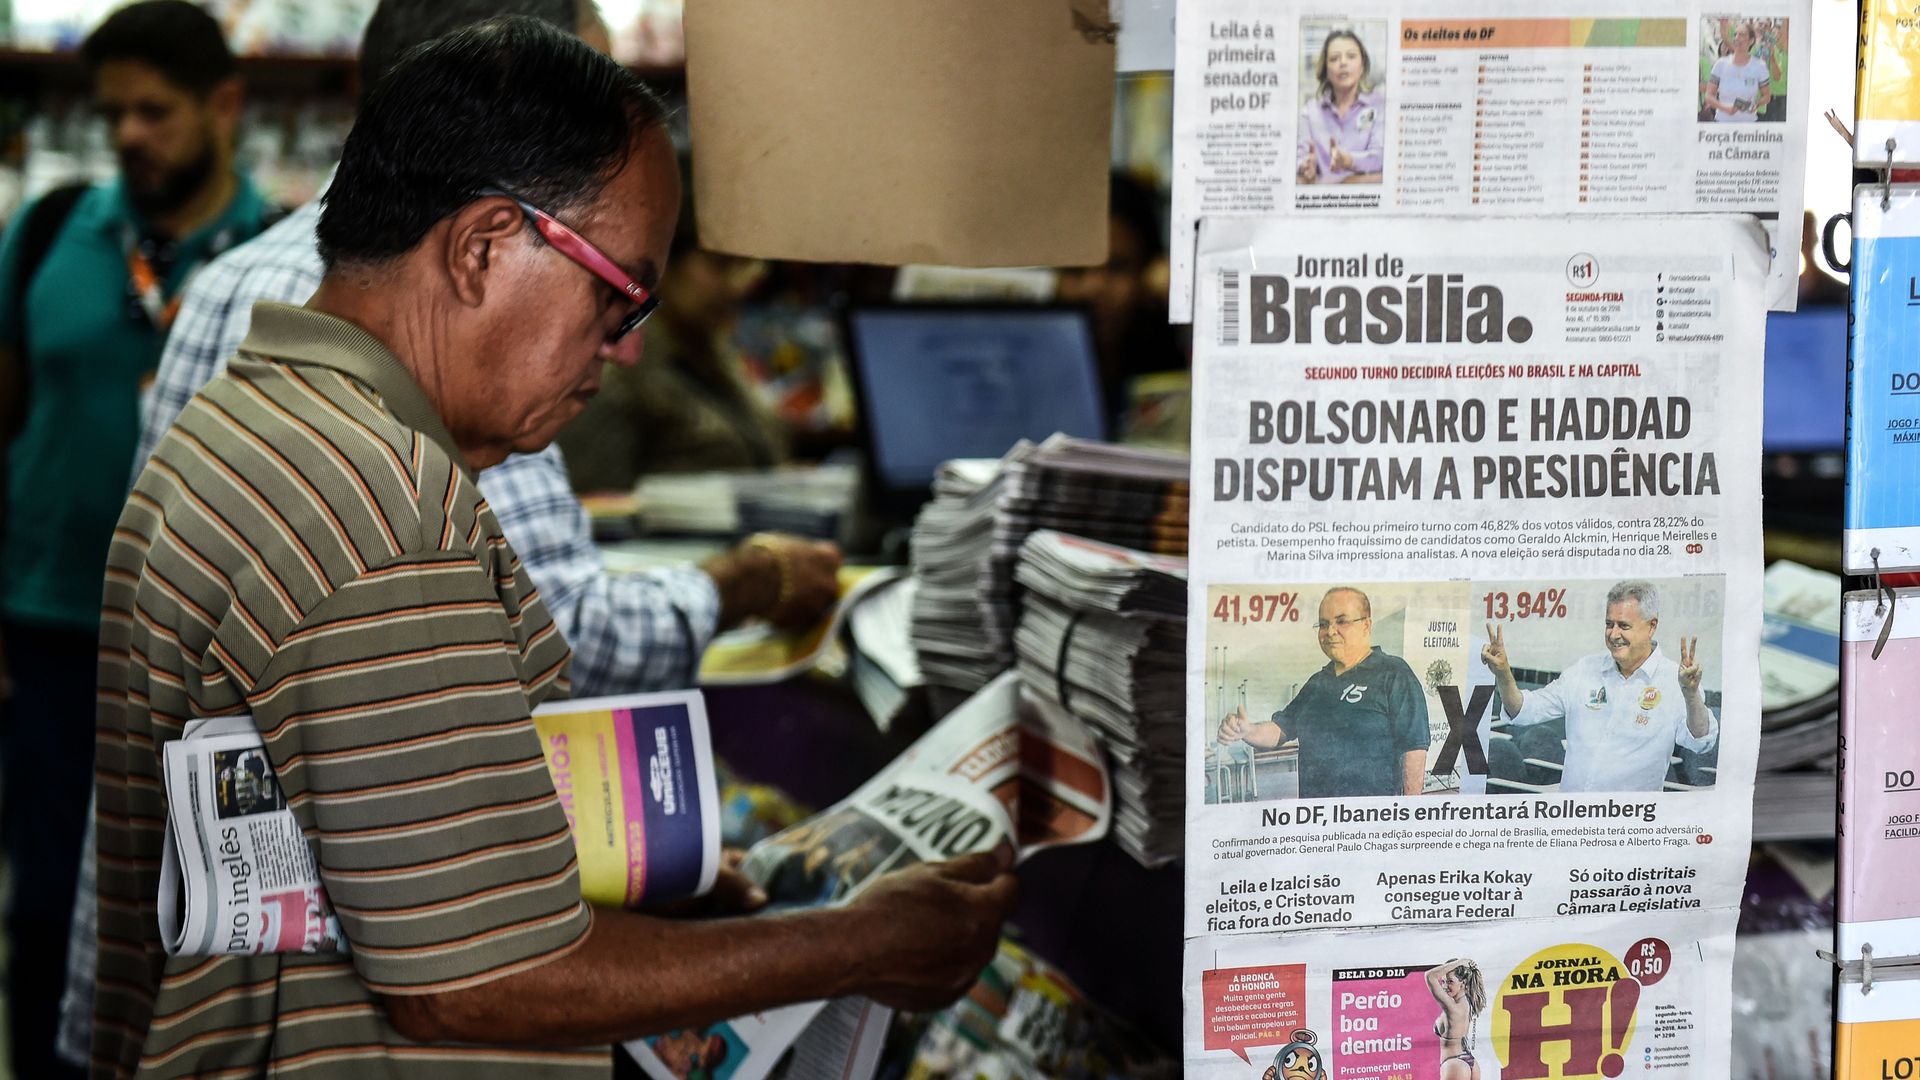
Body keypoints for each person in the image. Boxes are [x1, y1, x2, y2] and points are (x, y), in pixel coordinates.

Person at [92, 18, 1018, 1078]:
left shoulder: (259, 413)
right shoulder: (383, 505)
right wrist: (862, 945)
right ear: (486, 245)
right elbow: (474, 982)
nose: (624, 350)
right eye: (619, 294)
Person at [0, 5, 274, 1076]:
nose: (126, 134)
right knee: (47, 904)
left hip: (211, 663)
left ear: (224, 108)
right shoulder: (45, 235)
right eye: (110, 111)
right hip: (53, 634)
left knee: (194, 917)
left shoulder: (274, 262)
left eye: (153, 111)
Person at [556, 164, 790, 489]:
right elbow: (596, 507)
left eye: (750, 264)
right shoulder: (615, 370)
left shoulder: (712, 350)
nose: (742, 283)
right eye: (721, 265)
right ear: (662, 261)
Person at [1482, 580, 1718, 793]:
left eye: (1623, 626)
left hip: (1629, 826)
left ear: (1651, 626)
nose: (1614, 634)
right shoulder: (1585, 670)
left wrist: (1690, 694)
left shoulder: (1672, 680)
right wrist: (1503, 672)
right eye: (1609, 624)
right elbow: (1524, 710)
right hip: (1571, 818)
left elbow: (1700, 741)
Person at [1215, 587, 1428, 798]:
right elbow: (1281, 729)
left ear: (1366, 625)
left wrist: (1406, 816)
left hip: (1369, 821)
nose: (1330, 631)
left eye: (1342, 621)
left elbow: (1414, 748)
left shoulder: (1394, 673)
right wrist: (1248, 730)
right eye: (1323, 624)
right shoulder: (1317, 683)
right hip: (1317, 821)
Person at [1296, 29, 1383, 185]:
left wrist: (1348, 160)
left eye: (1351, 56)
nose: (1343, 63)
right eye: (1334, 58)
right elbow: (1300, 157)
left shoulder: (1378, 105)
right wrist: (1305, 166)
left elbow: (1380, 157)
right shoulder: (1309, 111)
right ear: (1326, 70)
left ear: (1362, 65)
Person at [1426, 958, 1486, 1080]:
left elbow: (1429, 976)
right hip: (1470, 1062)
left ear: (1463, 983)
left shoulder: (1453, 1007)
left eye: (1450, 982)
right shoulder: (1467, 1003)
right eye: (1443, 981)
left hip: (1454, 1064)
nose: (1444, 986)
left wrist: (1459, 962)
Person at [1704, 20, 1772, 123]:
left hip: (1749, 126)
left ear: (1751, 41)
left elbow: (1766, 96)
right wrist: (1725, 108)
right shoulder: (1721, 64)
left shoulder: (1760, 66)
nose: (1736, 38)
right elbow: (1709, 96)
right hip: (1722, 122)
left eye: (1742, 35)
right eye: (1735, 34)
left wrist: (1756, 104)